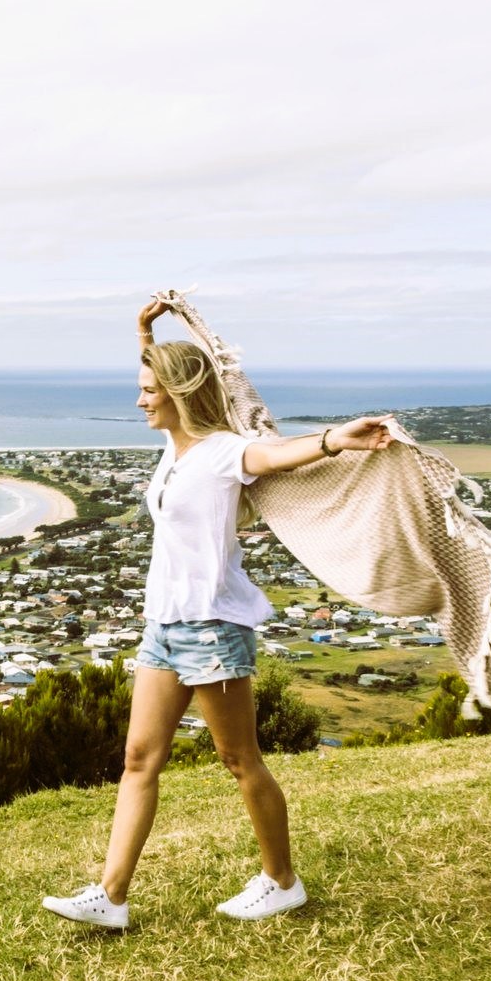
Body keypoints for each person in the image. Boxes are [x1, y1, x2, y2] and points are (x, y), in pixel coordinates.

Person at [41, 297, 393, 929]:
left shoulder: (223, 452)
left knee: (239, 760)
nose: (141, 400)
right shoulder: (173, 451)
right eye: (140, 388)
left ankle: (282, 881)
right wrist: (144, 332)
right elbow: (162, 374)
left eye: (150, 391)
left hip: (212, 625)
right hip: (165, 625)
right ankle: (111, 897)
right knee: (139, 760)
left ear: (178, 394)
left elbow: (278, 455)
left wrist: (336, 438)